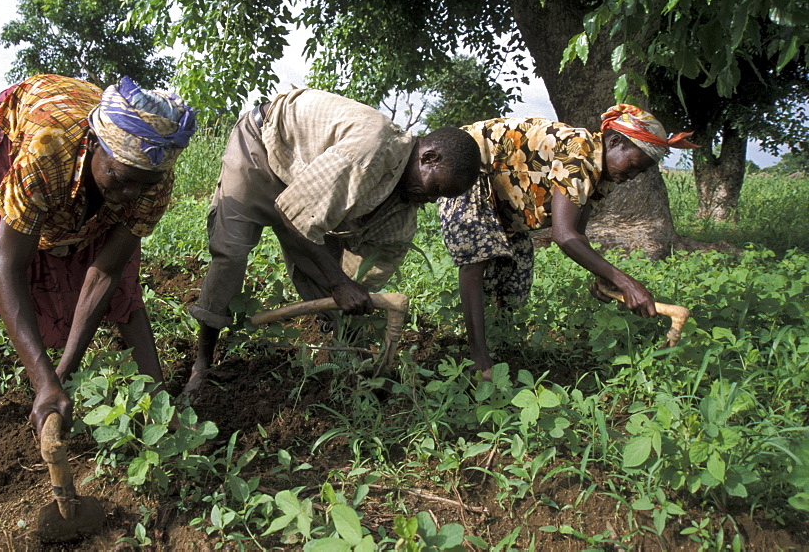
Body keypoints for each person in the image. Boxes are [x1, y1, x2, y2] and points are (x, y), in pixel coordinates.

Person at [0, 74, 195, 473]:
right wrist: (42, 380)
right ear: (95, 146)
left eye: (144, 186)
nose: (129, 196)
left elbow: (105, 274)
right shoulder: (44, 154)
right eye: (121, 180)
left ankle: (160, 403)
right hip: (22, 128)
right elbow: (9, 267)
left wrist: (62, 371)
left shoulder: (150, 180)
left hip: (79, 154)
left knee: (124, 284)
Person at [185, 87, 482, 395]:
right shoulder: (370, 150)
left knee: (324, 278)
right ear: (428, 157)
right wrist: (340, 283)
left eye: (439, 198)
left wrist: (356, 290)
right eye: (434, 188)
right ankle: (202, 366)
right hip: (263, 147)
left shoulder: (405, 201)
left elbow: (374, 263)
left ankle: (347, 368)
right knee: (231, 253)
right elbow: (295, 215)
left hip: (307, 185)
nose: (430, 199)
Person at [438, 103, 699, 379]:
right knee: (477, 257)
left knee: (515, 276)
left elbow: (577, 233)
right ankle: (480, 360)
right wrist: (626, 281)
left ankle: (502, 339)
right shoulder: (580, 151)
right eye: (632, 165)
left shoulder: (605, 174)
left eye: (638, 173)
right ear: (614, 141)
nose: (631, 176)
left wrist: (603, 277)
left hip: (505, 193)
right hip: (467, 165)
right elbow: (563, 236)